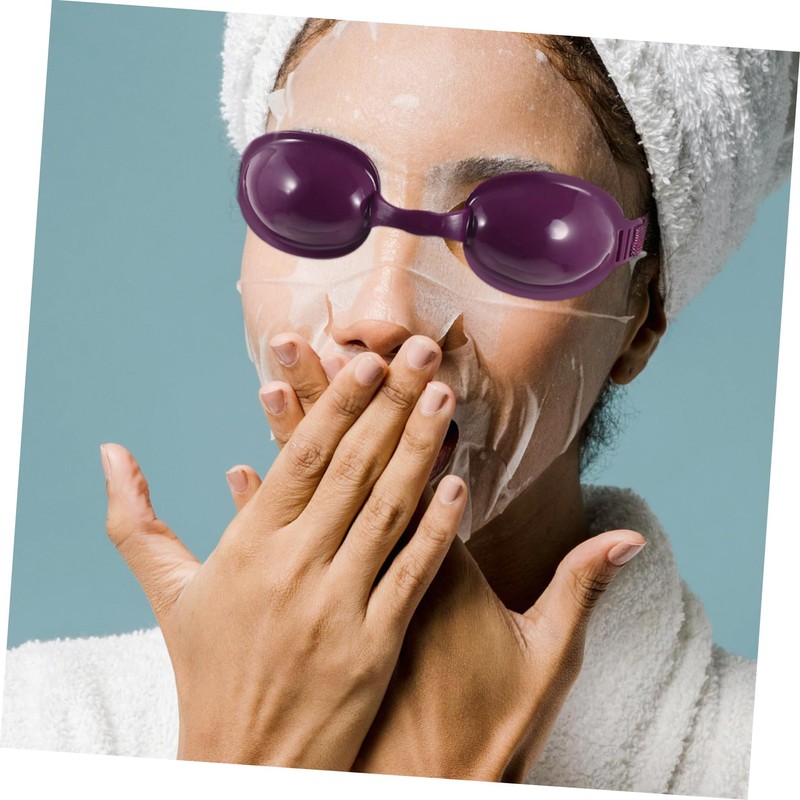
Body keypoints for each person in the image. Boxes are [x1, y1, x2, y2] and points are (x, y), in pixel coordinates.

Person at [1, 13, 795, 798]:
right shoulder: (34, 724)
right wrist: (237, 758)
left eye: (521, 232)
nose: (383, 315)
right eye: (316, 197)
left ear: (639, 318)